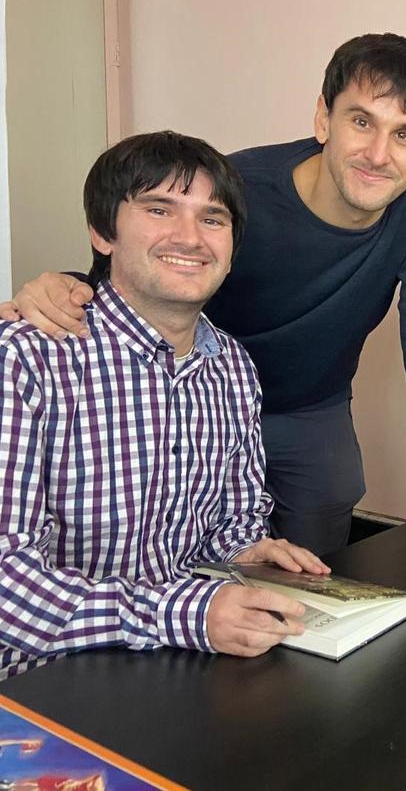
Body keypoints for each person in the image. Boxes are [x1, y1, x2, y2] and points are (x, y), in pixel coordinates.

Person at [1, 34, 406, 553]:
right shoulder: (236, 188)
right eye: (361, 121)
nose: (378, 154)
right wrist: (74, 285)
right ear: (323, 119)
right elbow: (153, 259)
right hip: (200, 394)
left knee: (315, 560)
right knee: (170, 534)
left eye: (404, 134)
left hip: (312, 402)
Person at [0, 132, 329, 680]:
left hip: (181, 663)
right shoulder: (25, 359)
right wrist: (181, 615)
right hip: (43, 682)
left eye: (213, 219)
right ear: (103, 232)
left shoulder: (231, 365)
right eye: (159, 209)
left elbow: (234, 521)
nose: (190, 237)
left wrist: (251, 555)